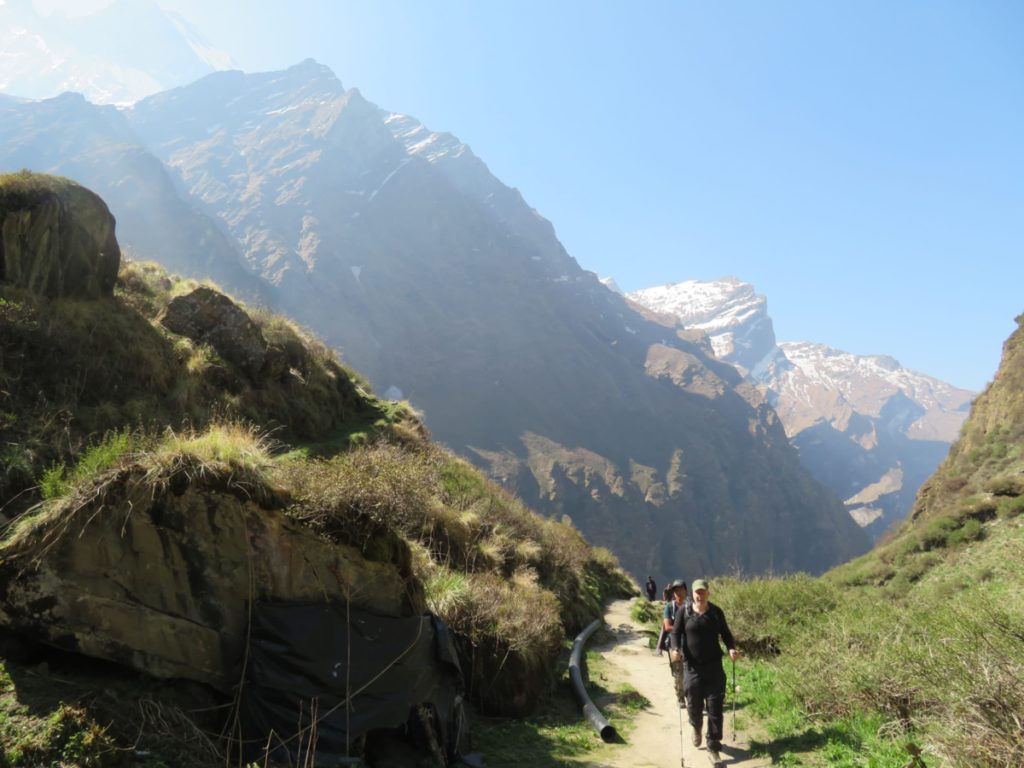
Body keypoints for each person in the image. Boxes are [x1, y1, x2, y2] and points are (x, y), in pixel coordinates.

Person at [668, 578, 740, 754]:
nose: (700, 595)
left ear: (708, 593)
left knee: (715, 707)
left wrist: (731, 649)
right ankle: (697, 726)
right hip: (692, 667)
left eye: (702, 592)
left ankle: (713, 745)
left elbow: (726, 634)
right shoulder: (683, 612)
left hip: (714, 666)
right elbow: (676, 633)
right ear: (692, 594)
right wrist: (676, 649)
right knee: (693, 705)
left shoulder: (716, 612)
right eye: (697, 592)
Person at [657, 579, 687, 657]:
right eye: (676, 590)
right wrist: (684, 630)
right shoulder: (670, 607)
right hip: (674, 641)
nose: (678, 592)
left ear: (686, 591)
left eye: (681, 590)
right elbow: (667, 627)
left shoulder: (691, 607)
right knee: (677, 666)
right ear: (673, 593)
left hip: (689, 641)